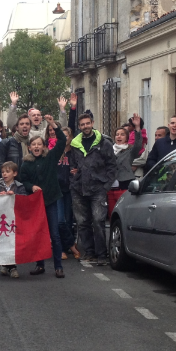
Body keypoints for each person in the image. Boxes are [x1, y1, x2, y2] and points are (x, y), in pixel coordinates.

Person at [20, 116, 66, 278]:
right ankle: (40, 265)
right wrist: (31, 187)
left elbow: (62, 140)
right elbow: (22, 180)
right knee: (39, 234)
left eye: (39, 144)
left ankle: (58, 266)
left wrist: (52, 124)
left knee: (54, 234)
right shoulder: (26, 164)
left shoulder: (51, 157)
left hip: (51, 200)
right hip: (35, 204)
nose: (37, 147)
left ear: (44, 146)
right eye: (34, 145)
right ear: (29, 147)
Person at [70, 112, 117, 266]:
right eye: (82, 124)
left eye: (87, 123)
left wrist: (106, 186)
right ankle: (89, 252)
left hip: (98, 188)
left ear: (92, 123)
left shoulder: (104, 143)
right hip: (79, 188)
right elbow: (73, 164)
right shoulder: (75, 144)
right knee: (82, 222)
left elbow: (112, 165)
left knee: (98, 221)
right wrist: (74, 174)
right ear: (79, 126)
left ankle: (102, 254)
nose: (85, 127)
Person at [56, 127, 79, 260]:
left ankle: (66, 247)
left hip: (71, 188)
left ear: (71, 137)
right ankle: (67, 246)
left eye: (67, 136)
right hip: (57, 190)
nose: (65, 139)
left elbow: (81, 166)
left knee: (69, 220)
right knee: (60, 220)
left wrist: (78, 171)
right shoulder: (55, 152)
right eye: (62, 136)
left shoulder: (74, 153)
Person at [0, 114, 32, 178]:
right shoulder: (6, 143)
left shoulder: (32, 144)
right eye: (22, 124)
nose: (25, 126)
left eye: (27, 124)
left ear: (30, 127)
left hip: (28, 182)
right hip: (12, 183)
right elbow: (0, 166)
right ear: (17, 127)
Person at [113, 114, 144, 190]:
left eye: (122, 135)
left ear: (127, 138)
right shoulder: (109, 149)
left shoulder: (130, 150)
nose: (119, 136)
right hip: (112, 184)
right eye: (117, 135)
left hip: (126, 182)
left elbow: (138, 144)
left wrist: (137, 127)